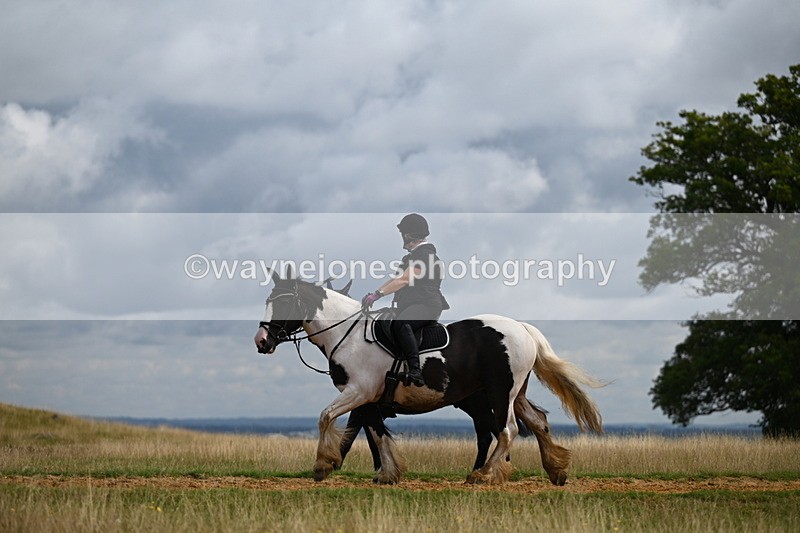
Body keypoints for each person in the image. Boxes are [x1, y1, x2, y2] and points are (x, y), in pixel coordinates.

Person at [361, 213, 449, 386]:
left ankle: (415, 371)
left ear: (408, 235)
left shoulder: (425, 255)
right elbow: (395, 280)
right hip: (413, 304)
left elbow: (404, 280)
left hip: (426, 305)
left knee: (402, 324)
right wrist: (376, 292)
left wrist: (378, 295)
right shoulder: (412, 257)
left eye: (403, 234)